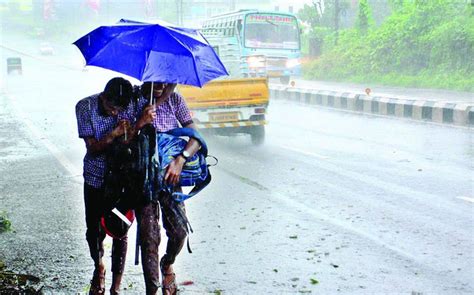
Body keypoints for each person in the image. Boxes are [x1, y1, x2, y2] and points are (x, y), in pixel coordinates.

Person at [75, 77, 156, 295]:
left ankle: (116, 285)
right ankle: (98, 266)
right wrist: (115, 134)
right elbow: (92, 148)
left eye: (120, 109)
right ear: (103, 97)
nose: (115, 113)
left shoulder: (135, 103)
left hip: (124, 178)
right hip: (97, 177)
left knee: (120, 228)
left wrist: (143, 119)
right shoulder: (85, 107)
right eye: (111, 108)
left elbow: (155, 101)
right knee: (94, 230)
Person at [137, 81, 200, 295]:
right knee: (149, 238)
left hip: (171, 179)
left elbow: (196, 139)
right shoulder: (135, 101)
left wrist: (180, 160)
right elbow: (122, 139)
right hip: (142, 180)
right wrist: (141, 121)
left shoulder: (175, 100)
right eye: (157, 78)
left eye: (167, 79)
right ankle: (152, 290)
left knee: (180, 231)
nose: (162, 84)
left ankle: (167, 263)